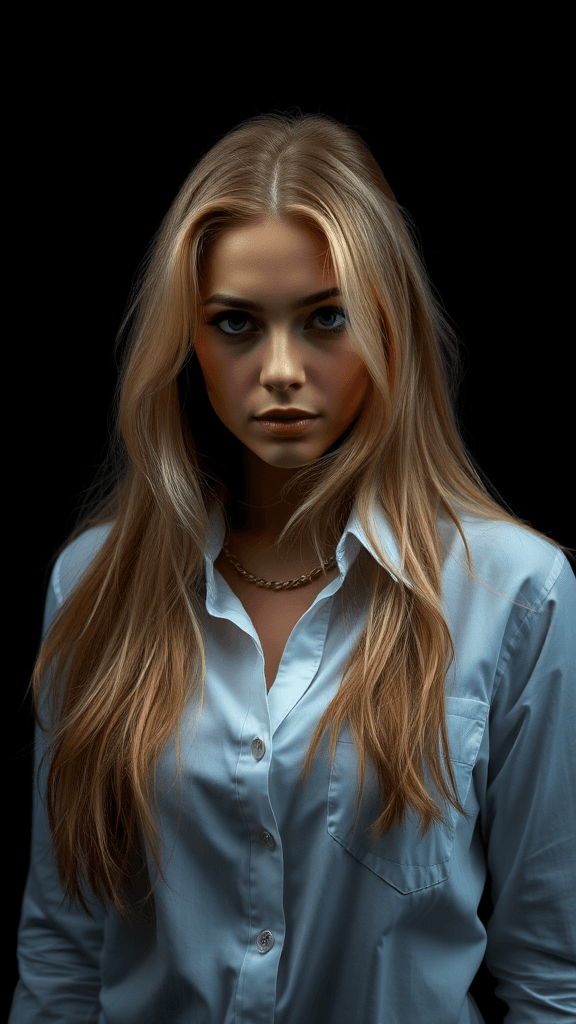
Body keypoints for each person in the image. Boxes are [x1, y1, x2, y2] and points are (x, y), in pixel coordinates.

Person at [9, 109, 576, 1024]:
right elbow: (65, 948)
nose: (279, 369)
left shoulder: (515, 591)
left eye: (326, 319)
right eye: (235, 323)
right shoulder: (96, 583)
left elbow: (553, 973)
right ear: (186, 343)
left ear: (389, 326)